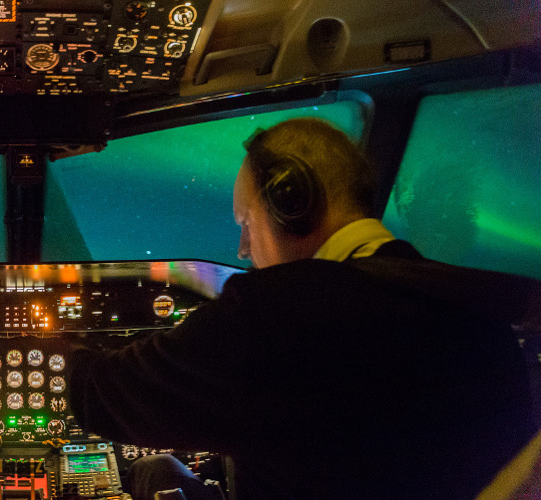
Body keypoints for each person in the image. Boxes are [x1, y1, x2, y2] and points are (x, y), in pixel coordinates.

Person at [67, 118, 541, 500]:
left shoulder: (277, 313)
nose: (242, 249)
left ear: (292, 201)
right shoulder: (482, 312)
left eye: (246, 222)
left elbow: (99, 395)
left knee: (151, 474)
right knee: (160, 469)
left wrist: (69, 349)